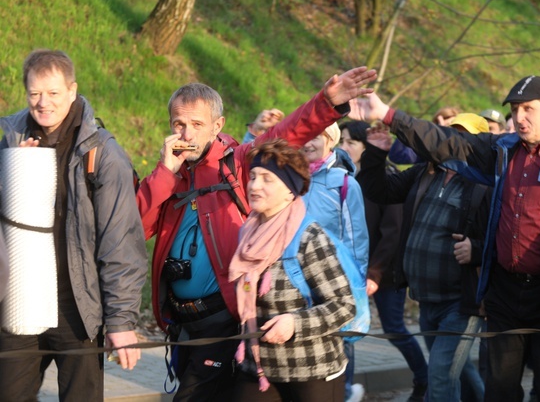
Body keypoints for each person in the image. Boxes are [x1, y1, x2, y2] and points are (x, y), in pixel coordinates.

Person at [350, 75, 540, 402]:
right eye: (515, 109)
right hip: (504, 293)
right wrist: (389, 115)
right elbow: (444, 142)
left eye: (528, 108)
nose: (520, 117)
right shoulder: (501, 150)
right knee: (499, 391)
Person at [136, 67, 375, 400]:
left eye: (196, 125)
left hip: (224, 319)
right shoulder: (170, 172)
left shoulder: (238, 162)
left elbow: (287, 133)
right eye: (179, 124)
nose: (186, 134)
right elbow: (137, 229)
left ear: (217, 126)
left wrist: (326, 103)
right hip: (181, 322)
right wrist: (164, 173)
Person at [0, 49, 148, 401]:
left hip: (78, 310)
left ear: (72, 90)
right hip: (20, 303)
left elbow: (121, 243)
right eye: (35, 93)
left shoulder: (103, 154)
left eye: (53, 93)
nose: (43, 103)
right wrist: (13, 174)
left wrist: (122, 321)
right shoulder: (7, 140)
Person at [358, 113, 491, 402]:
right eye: (448, 134)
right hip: (427, 300)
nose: (452, 142)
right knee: (454, 370)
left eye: (462, 136)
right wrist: (376, 152)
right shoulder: (426, 173)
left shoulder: (487, 185)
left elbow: (506, 237)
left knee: (440, 377)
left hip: (461, 303)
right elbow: (379, 190)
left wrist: (477, 250)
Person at [229, 139, 356, 401]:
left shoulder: (309, 237)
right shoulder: (248, 233)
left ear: (290, 190)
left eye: (267, 179)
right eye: (252, 177)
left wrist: (295, 323)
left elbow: (344, 306)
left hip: (311, 371)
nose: (254, 185)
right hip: (258, 368)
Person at [339, 121, 429, 402]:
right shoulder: (343, 178)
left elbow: (392, 232)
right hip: (352, 271)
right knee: (347, 331)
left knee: (394, 328)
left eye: (351, 143)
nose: (344, 148)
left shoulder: (385, 178)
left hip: (384, 272)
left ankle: (424, 378)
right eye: (341, 141)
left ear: (367, 148)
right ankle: (347, 389)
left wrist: (375, 273)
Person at [301, 122, 369, 402]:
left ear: (331, 140)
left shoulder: (344, 184)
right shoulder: (291, 178)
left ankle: (343, 393)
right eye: (304, 134)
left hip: (333, 285)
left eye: (315, 135)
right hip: (297, 283)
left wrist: (355, 290)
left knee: (339, 353)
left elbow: (357, 241)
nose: (308, 142)